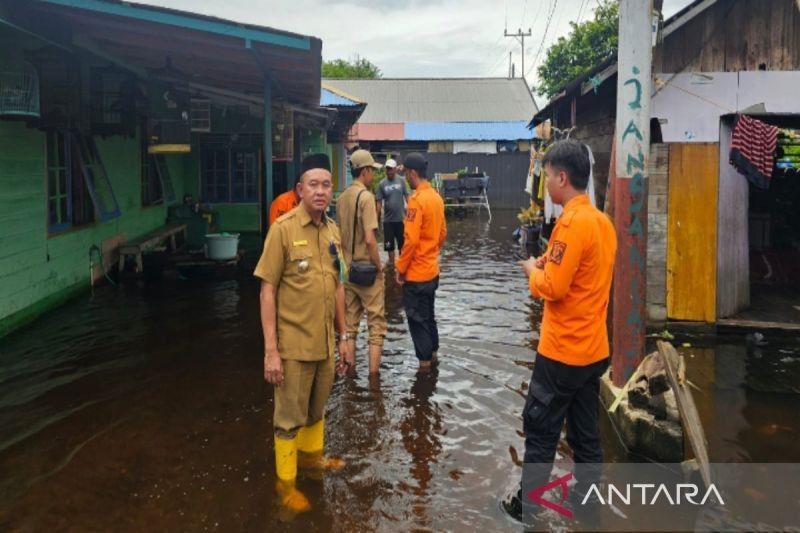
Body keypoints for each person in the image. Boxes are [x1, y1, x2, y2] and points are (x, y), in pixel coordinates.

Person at [512, 140, 617, 521]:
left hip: (561, 353)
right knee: (586, 437)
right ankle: (587, 504)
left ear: (562, 177)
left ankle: (528, 509)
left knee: (540, 432)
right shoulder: (602, 223)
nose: (546, 186)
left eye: (547, 177)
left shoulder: (571, 222)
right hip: (593, 351)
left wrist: (532, 271)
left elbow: (553, 287)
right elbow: (580, 274)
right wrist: (547, 263)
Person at [254, 153, 354, 516]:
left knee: (316, 410)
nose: (321, 191)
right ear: (299, 190)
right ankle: (286, 487)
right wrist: (271, 352)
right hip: (293, 347)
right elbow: (267, 291)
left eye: (327, 184)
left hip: (326, 345)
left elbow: (339, 286)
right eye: (313, 184)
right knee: (287, 419)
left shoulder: (332, 231)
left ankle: (312, 463)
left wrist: (344, 338)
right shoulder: (283, 230)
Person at [394, 152, 446, 373]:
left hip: (416, 275)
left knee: (417, 321)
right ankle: (433, 357)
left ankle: (424, 371)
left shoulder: (416, 201)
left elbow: (411, 240)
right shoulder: (436, 197)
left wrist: (400, 268)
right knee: (429, 317)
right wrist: (431, 251)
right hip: (432, 271)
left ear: (413, 173)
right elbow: (443, 233)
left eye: (406, 173)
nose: (405, 177)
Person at [337, 149, 387, 375]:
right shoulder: (366, 198)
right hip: (366, 271)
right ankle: (374, 382)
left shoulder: (341, 198)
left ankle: (350, 376)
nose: (373, 176)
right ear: (365, 171)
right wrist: (379, 266)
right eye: (372, 171)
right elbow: (370, 240)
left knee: (349, 326)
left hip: (347, 272)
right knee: (376, 325)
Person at [375, 158, 410, 266]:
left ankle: (401, 267)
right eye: (387, 169)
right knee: (389, 248)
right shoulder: (382, 184)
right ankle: (391, 267)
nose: (389, 171)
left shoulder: (402, 181)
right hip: (388, 222)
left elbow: (408, 198)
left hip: (401, 220)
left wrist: (410, 215)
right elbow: (379, 204)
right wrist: (377, 221)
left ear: (395, 169)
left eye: (391, 169)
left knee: (402, 247)